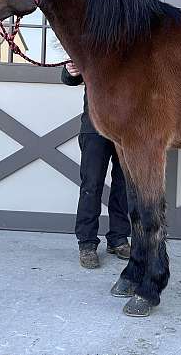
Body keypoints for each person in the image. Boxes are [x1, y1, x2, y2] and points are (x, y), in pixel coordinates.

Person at [61, 61, 131, 269]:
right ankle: (87, 243)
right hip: (95, 129)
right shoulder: (93, 45)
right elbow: (69, 79)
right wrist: (69, 71)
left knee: (124, 185)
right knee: (91, 186)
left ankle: (118, 239)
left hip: (125, 130)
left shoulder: (132, 49)